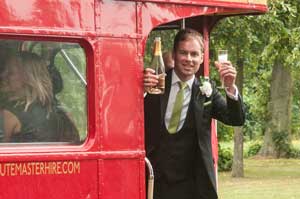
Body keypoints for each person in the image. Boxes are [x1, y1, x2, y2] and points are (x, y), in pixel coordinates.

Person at [143, 28, 245, 199]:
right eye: (184, 53)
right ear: (174, 54)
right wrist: (141, 89)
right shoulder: (155, 81)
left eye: (194, 54)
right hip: (155, 180)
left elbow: (236, 119)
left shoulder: (207, 90)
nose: (189, 59)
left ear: (201, 58)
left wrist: (230, 88)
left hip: (193, 184)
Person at [0, 52, 79, 143]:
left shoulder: (9, 114)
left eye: (10, 73)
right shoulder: (62, 112)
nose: (2, 75)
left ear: (28, 78)